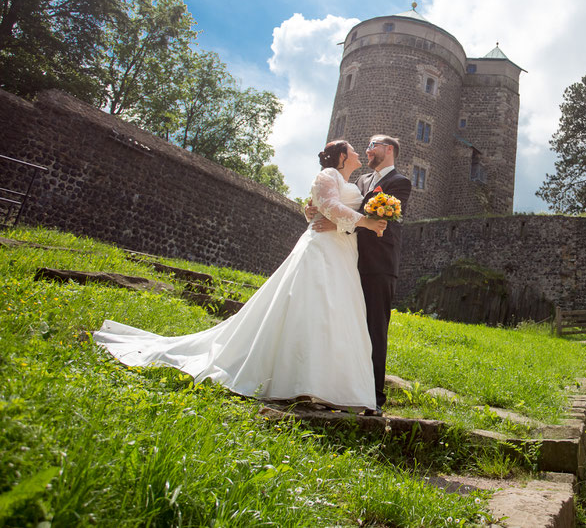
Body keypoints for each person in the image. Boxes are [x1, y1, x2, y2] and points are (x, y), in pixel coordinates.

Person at [92, 141, 387, 411]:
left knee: (337, 311)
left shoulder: (351, 183)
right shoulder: (327, 176)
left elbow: (325, 211)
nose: (360, 153)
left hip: (344, 250)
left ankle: (331, 384)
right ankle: (299, 381)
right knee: (310, 303)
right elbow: (327, 206)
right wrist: (363, 222)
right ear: (342, 156)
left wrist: (345, 222)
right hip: (321, 250)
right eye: (354, 149)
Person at [309, 135, 411, 416]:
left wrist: (339, 223)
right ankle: (342, 386)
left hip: (379, 263)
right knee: (348, 325)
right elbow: (342, 204)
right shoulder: (361, 181)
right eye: (365, 147)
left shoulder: (400, 183)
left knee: (375, 328)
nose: (367, 150)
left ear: (388, 150)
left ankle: (374, 395)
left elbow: (381, 217)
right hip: (349, 259)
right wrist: (316, 208)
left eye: (372, 146)